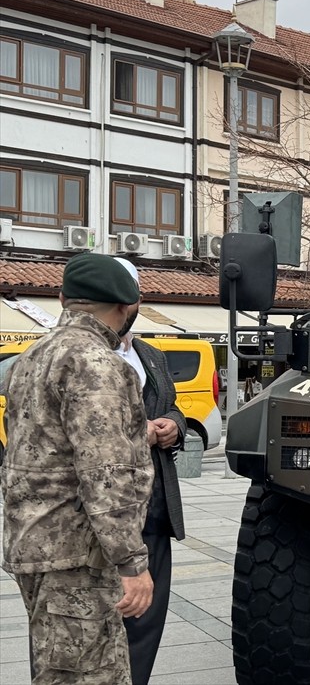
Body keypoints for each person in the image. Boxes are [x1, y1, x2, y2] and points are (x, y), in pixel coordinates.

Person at [1, 253, 155, 684]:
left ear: (65, 298)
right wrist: (133, 563)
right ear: (127, 306)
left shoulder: (33, 356)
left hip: (37, 543)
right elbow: (104, 472)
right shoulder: (96, 363)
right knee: (89, 675)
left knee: (59, 667)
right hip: (76, 554)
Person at [113, 258, 186, 685]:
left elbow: (171, 405)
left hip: (155, 512)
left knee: (145, 626)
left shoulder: (151, 354)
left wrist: (172, 425)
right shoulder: (78, 357)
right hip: (104, 516)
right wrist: (130, 431)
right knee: (102, 628)